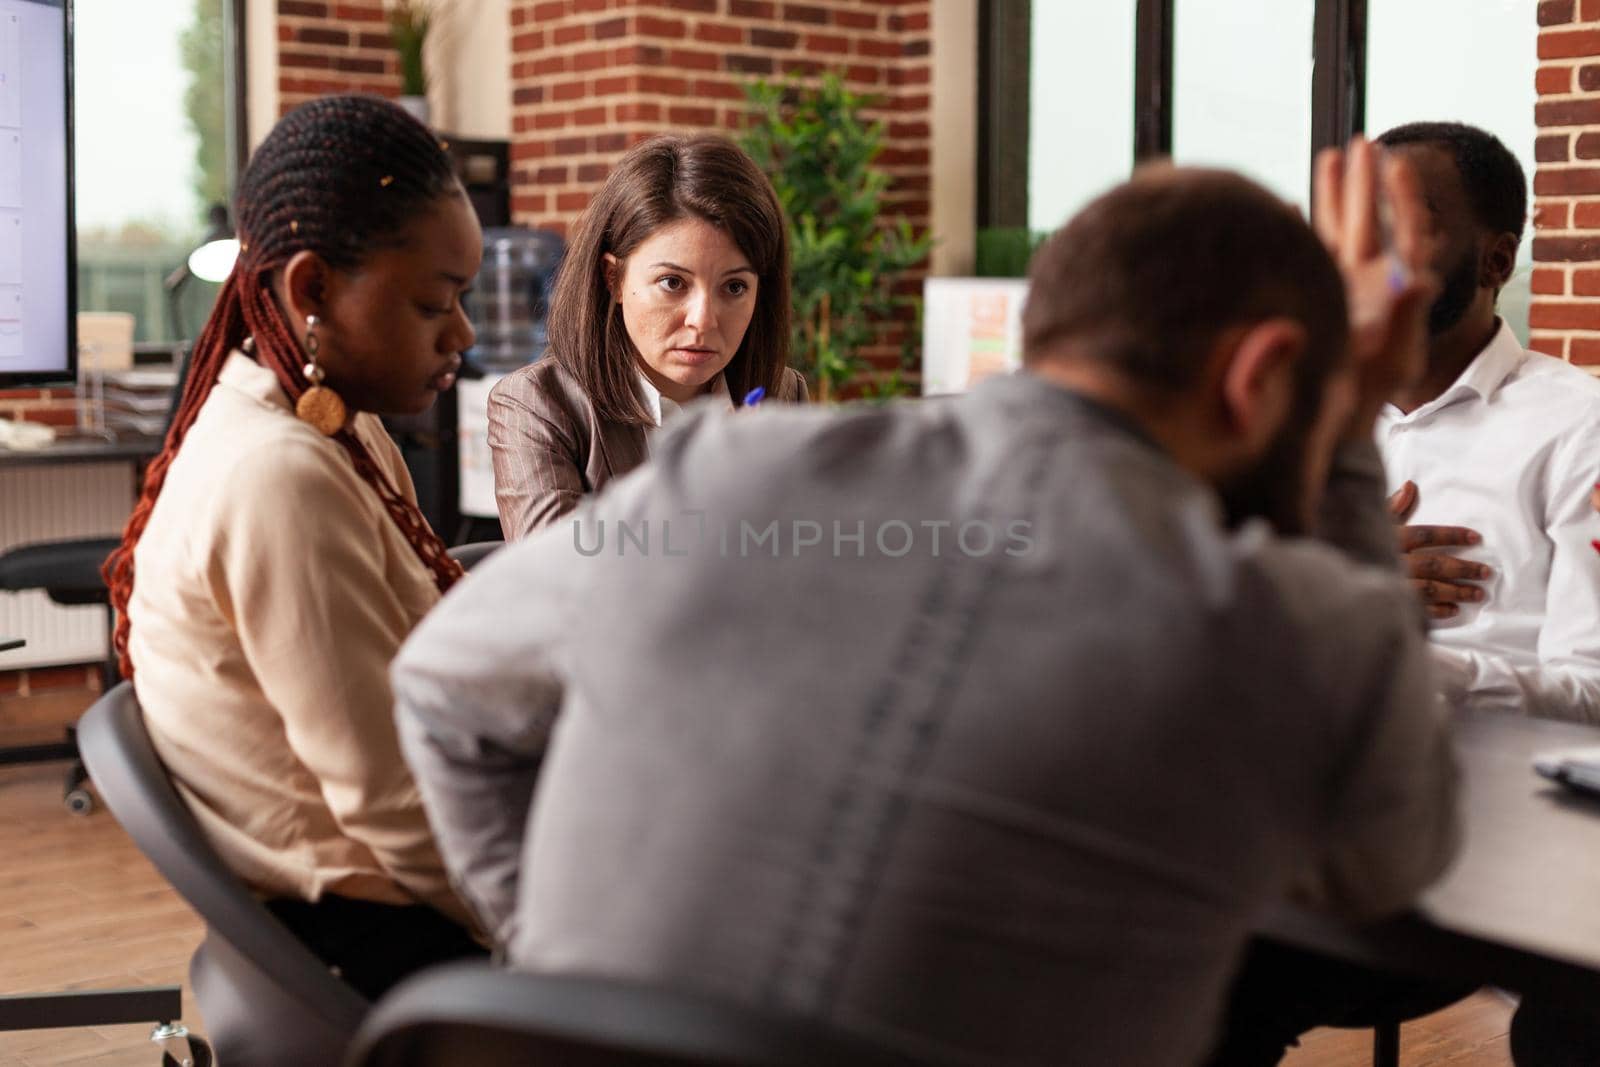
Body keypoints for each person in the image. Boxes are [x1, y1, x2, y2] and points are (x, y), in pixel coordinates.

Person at [391, 143, 1458, 1066]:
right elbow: (1384, 869)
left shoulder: (720, 473)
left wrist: (558, 966)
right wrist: (1349, 426)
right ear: (1263, 372)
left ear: (1040, 323)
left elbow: (441, 681)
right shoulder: (1293, 622)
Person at [102, 95, 486, 1000]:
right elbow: (392, 808)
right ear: (311, 289)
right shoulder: (279, 476)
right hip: (379, 938)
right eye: (435, 302)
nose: (462, 336)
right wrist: (567, 919)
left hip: (393, 896)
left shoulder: (331, 429)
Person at [1373, 121, 1600, 723]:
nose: (1369, 250)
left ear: (1496, 261)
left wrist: (1402, 668)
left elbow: (1593, 690)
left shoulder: (1582, 427)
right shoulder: (1296, 420)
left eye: (1404, 223)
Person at [486, 134, 808, 538]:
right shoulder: (538, 403)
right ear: (614, 278)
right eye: (673, 282)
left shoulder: (780, 392)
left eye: (735, 287)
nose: (703, 321)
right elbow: (561, 579)